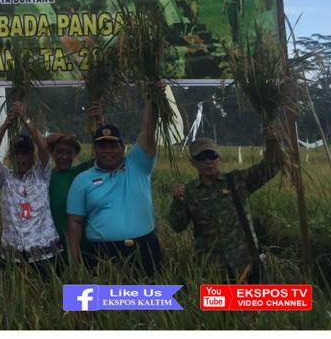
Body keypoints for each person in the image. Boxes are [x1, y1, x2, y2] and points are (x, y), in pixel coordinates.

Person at [66, 84, 161, 277]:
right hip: (100, 254)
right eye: (102, 146)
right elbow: (75, 222)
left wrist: (152, 98)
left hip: (143, 248)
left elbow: (147, 131)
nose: (108, 150)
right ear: (95, 148)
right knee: (103, 305)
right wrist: (73, 262)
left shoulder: (138, 165)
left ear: (123, 147)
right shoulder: (82, 180)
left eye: (113, 145)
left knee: (147, 303)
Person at [169, 128, 282, 283]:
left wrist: (272, 140)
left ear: (219, 158)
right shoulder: (189, 192)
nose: (208, 161)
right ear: (193, 163)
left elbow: (271, 166)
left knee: (256, 306)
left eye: (212, 156)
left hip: (246, 264)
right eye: (202, 157)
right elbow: (177, 226)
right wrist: (177, 200)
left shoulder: (237, 181)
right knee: (221, 307)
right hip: (213, 270)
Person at [0, 102, 61, 271]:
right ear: (10, 155)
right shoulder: (5, 178)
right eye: (17, 153)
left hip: (44, 251)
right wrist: (5, 125)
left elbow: (43, 146)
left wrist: (25, 119)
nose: (21, 158)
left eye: (25, 153)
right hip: (12, 253)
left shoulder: (42, 174)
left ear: (31, 155)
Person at [46, 132, 92, 257]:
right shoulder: (44, 177)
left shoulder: (81, 172)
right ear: (52, 152)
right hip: (53, 245)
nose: (64, 156)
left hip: (80, 244)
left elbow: (100, 156)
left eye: (69, 152)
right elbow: (43, 143)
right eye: (59, 151)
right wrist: (64, 136)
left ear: (75, 154)